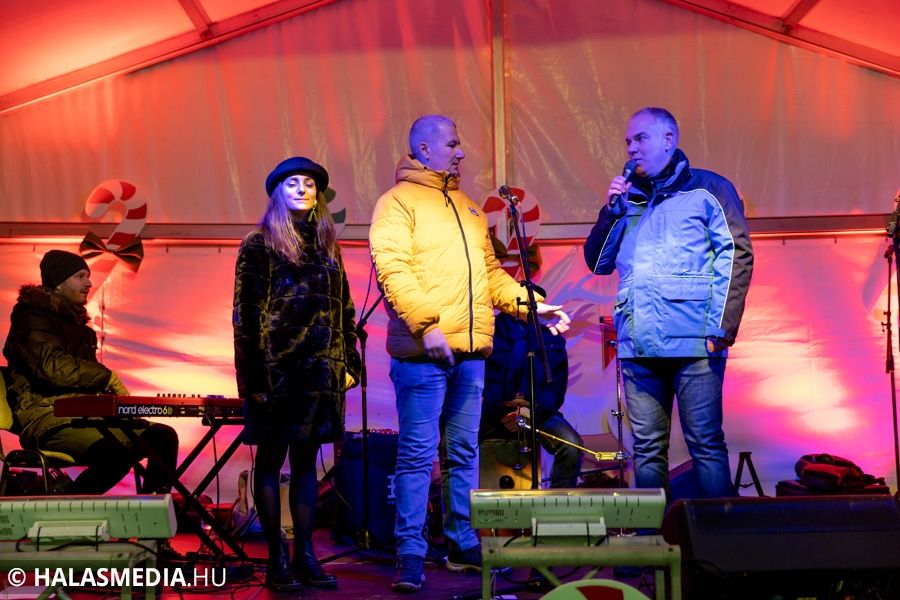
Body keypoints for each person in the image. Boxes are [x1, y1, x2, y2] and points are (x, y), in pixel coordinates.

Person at [369, 114, 570, 593]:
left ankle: (461, 543)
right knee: (418, 455)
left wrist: (530, 305)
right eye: (453, 144)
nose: (461, 152)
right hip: (424, 354)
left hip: (472, 354)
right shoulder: (396, 203)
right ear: (423, 149)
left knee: (462, 452)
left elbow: (491, 275)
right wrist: (427, 327)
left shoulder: (469, 210)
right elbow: (393, 270)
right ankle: (411, 552)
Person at [583, 107, 753, 499]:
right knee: (646, 451)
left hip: (695, 344)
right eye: (627, 141)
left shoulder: (708, 189)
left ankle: (716, 538)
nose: (631, 148)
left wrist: (722, 328)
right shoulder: (627, 200)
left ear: (668, 140)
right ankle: (651, 537)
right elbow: (598, 262)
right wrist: (611, 214)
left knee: (705, 445)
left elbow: (737, 254)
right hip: (638, 345)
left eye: (640, 138)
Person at [233, 156, 360, 592]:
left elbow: (345, 310)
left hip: (320, 378)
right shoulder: (259, 243)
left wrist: (349, 365)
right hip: (277, 377)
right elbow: (246, 316)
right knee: (270, 463)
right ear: (277, 193)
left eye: (309, 183)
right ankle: (276, 558)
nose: (303, 189)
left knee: (307, 465)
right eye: (292, 183)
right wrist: (254, 380)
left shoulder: (327, 246)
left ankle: (306, 555)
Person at [2, 250, 179, 495]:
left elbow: (84, 381)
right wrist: (107, 376)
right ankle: (66, 507)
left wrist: (116, 405)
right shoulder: (31, 319)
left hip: (84, 415)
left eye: (88, 276)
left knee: (162, 437)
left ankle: (153, 511)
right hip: (47, 418)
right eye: (80, 276)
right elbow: (54, 369)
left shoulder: (82, 330)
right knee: (116, 452)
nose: (89, 283)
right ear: (58, 283)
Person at [481, 312, 583, 488]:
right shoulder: (491, 328)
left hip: (538, 411)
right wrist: (501, 408)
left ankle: (559, 503)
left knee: (572, 446)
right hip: (496, 410)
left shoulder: (550, 333)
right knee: (454, 444)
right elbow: (484, 378)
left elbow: (556, 388)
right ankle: (461, 504)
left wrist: (531, 411)